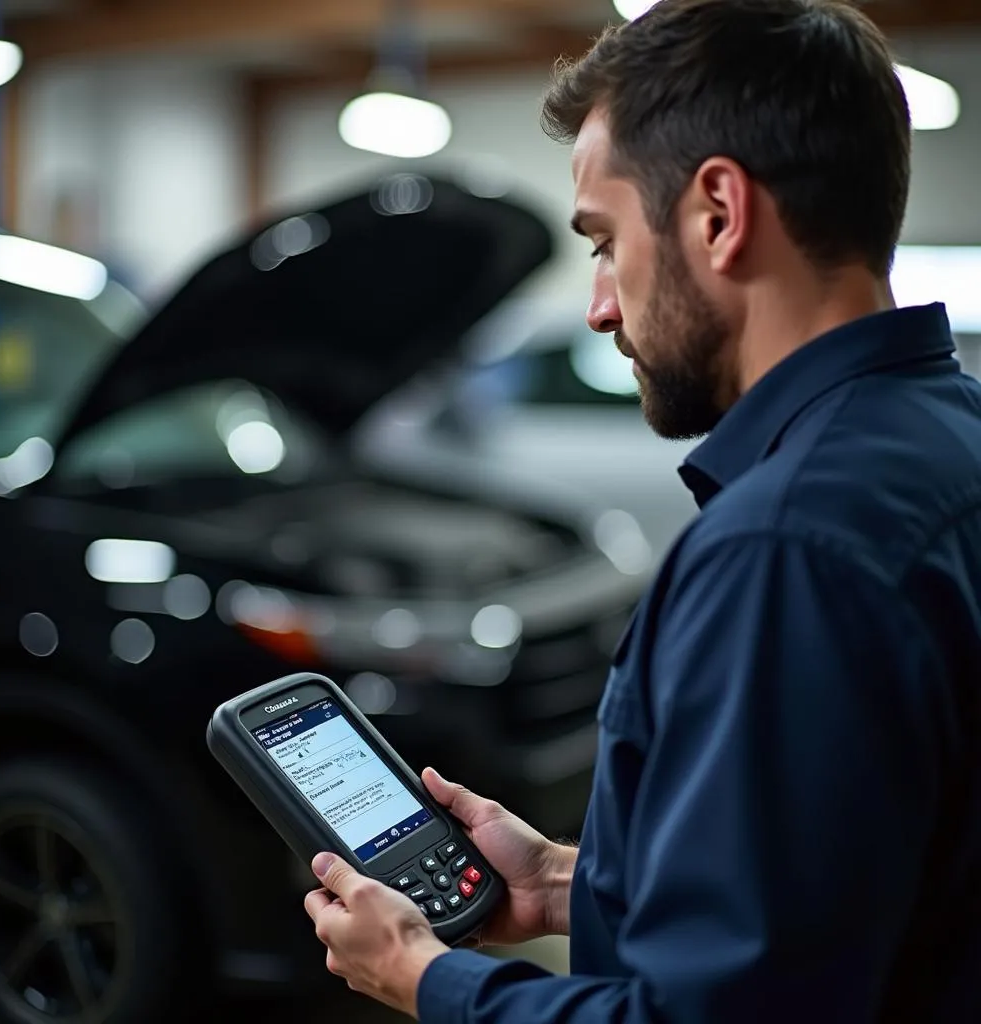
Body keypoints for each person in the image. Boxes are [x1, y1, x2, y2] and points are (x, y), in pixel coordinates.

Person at [304, 0, 981, 1020]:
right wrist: (556, 884)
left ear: (717, 212)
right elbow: (848, 881)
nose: (599, 304)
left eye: (604, 240)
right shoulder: (951, 439)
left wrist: (426, 977)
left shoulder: (783, 549)